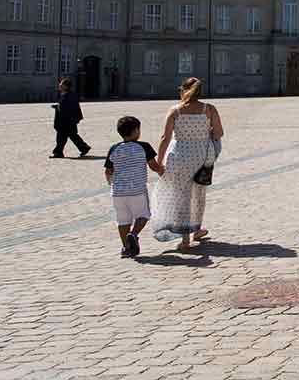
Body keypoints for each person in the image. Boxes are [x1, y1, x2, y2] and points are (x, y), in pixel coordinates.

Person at [150, 77, 224, 253]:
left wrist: (159, 162)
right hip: (201, 156)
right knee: (198, 194)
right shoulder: (209, 109)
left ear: (183, 91)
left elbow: (165, 138)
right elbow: (219, 133)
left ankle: (185, 239)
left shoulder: (175, 110)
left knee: (181, 196)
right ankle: (195, 230)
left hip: (179, 157)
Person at [103, 115, 164, 258]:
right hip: (137, 190)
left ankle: (126, 247)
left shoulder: (114, 148)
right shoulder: (144, 146)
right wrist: (163, 171)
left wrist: (111, 182)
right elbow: (153, 166)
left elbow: (108, 171)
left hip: (118, 192)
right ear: (136, 130)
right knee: (143, 215)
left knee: (123, 220)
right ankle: (134, 234)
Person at [51, 78, 91, 158]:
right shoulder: (69, 94)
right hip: (70, 120)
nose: (59, 85)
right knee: (71, 135)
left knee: (63, 137)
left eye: (61, 84)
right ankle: (84, 148)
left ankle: (58, 152)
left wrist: (58, 107)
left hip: (66, 120)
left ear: (65, 86)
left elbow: (65, 108)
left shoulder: (67, 95)